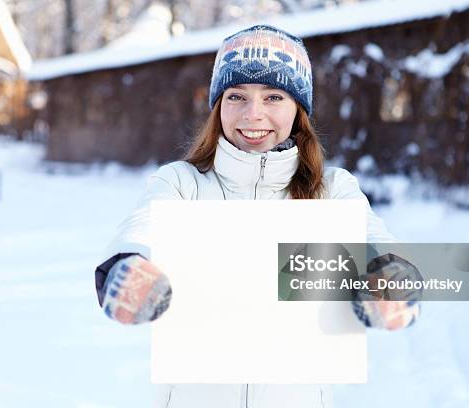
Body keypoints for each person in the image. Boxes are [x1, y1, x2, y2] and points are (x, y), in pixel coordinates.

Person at [94, 24, 420, 407]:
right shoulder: (183, 183)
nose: (253, 114)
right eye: (237, 96)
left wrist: (389, 276)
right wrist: (128, 265)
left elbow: (372, 238)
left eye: (273, 97)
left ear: (298, 108)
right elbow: (142, 226)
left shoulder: (331, 190)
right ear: (218, 106)